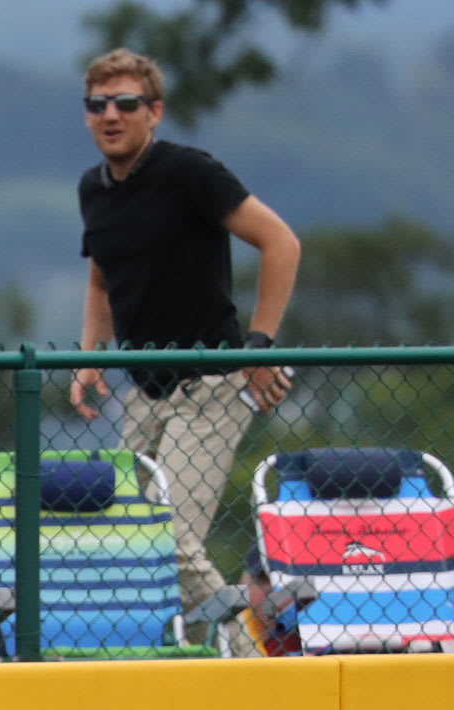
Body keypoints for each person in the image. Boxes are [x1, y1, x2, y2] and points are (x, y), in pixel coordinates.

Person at [69, 47, 301, 628]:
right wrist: (88, 359)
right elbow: (101, 281)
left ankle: (252, 661)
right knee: (128, 540)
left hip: (211, 385)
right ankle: (173, 657)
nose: (111, 115)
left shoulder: (190, 173)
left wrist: (260, 346)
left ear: (155, 112)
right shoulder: (93, 189)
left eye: (126, 103)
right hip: (143, 391)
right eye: (97, 104)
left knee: (169, 541)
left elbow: (282, 244)